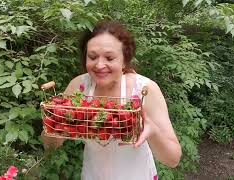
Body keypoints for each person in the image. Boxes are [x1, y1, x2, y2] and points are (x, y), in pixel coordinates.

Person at [41, 20, 182, 180]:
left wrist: (153, 131)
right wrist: (57, 123)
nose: (100, 65)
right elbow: (50, 146)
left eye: (109, 58)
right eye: (92, 57)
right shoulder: (79, 87)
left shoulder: (144, 89)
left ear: (125, 60)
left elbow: (173, 160)